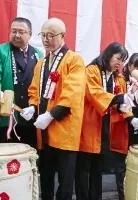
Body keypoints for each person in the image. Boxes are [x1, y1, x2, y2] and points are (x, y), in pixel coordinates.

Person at [21, 18, 86, 200]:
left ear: (63, 36)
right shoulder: (41, 62)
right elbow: (34, 89)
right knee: (46, 174)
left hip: (64, 127)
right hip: (45, 129)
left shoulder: (74, 60)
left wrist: (50, 115)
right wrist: (33, 107)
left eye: (51, 35)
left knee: (65, 179)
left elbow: (72, 93)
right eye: (43, 35)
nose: (46, 39)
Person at [75, 42, 134, 200]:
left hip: (105, 125)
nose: (119, 64)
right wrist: (119, 98)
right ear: (108, 54)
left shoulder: (116, 77)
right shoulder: (91, 70)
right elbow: (93, 93)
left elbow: (118, 99)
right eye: (118, 58)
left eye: (122, 61)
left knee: (97, 168)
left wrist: (124, 104)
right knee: (84, 169)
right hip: (89, 123)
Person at [112, 53, 138, 200]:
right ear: (129, 67)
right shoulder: (121, 81)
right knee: (121, 167)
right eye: (136, 67)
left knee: (136, 163)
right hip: (123, 127)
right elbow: (116, 103)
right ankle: (123, 196)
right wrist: (130, 118)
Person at [0, 17, 43, 148]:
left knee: (29, 154)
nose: (16, 35)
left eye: (21, 32)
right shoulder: (2, 51)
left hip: (30, 114)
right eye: (13, 31)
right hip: (7, 113)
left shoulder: (38, 54)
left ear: (30, 34)